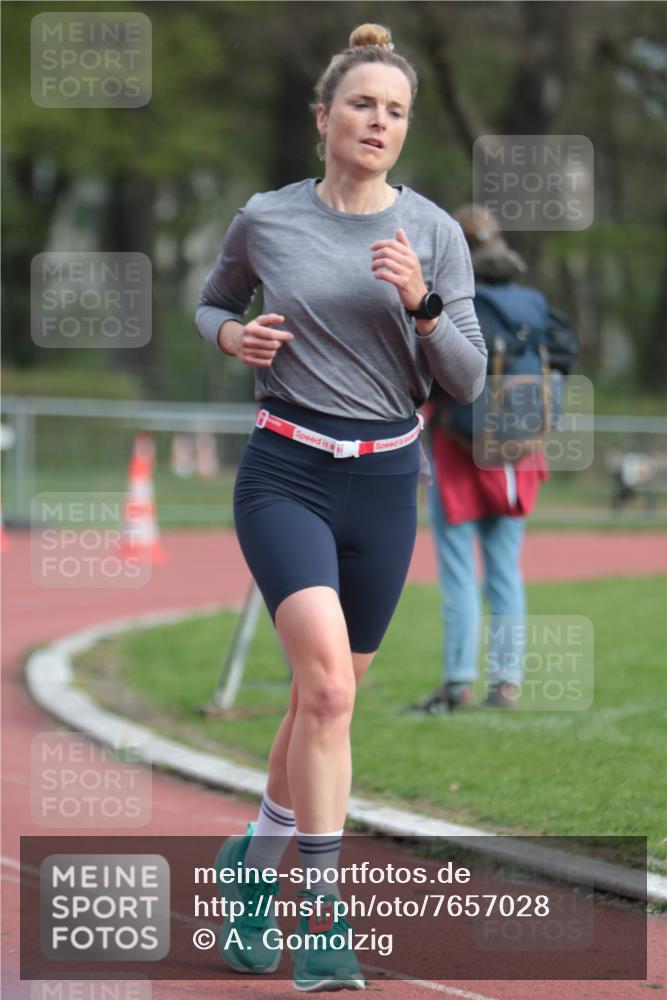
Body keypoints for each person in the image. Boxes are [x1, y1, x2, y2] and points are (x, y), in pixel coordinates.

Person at [195, 24, 486, 991]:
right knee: (324, 691)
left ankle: (253, 861)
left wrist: (424, 306)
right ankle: (320, 914)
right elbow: (211, 300)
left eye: (396, 110)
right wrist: (230, 334)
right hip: (286, 472)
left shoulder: (433, 234)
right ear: (324, 118)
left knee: (329, 696)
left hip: (382, 483)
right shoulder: (267, 218)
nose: (378, 121)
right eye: (362, 103)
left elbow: (470, 379)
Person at [407, 205, 550, 715]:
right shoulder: (533, 302)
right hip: (519, 453)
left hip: (459, 450)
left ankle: (457, 682)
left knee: (457, 568)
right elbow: (566, 353)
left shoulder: (449, 303)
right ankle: (506, 682)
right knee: (505, 569)